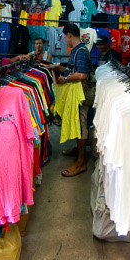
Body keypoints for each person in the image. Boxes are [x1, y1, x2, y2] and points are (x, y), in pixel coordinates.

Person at [48, 23, 95, 177]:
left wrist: (65, 79)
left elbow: (81, 75)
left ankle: (81, 163)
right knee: (76, 123)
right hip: (78, 92)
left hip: (82, 94)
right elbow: (73, 69)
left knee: (81, 126)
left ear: (69, 35)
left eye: (65, 37)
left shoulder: (80, 51)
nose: (64, 41)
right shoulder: (77, 50)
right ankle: (78, 150)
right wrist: (56, 67)